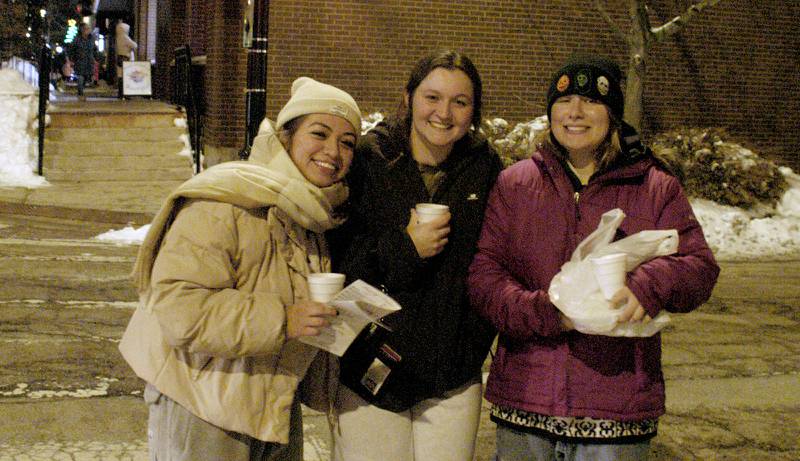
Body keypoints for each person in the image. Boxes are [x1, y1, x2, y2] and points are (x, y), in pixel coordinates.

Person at [467, 54, 720, 460]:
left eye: (591, 101)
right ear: (550, 112)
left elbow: (699, 267)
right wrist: (548, 312)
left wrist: (646, 286)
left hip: (617, 408)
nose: (575, 112)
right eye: (564, 101)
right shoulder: (515, 184)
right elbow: (484, 276)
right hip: (526, 400)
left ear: (613, 114)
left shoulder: (654, 187)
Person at [118, 77, 361, 460]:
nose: (333, 150)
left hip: (273, 404)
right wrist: (284, 320)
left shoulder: (310, 215)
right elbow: (180, 307)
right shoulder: (226, 199)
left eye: (347, 142)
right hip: (204, 405)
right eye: (320, 133)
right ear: (286, 138)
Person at [328, 50, 503, 461]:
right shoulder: (371, 160)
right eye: (432, 97)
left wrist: (473, 342)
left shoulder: (483, 166)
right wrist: (406, 249)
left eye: (460, 102)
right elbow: (340, 263)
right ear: (408, 98)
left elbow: (494, 258)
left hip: (452, 374)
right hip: (370, 368)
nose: (444, 113)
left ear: (473, 111)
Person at [68, 23, 98, 101]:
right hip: (79, 60)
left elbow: (95, 50)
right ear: (82, 30)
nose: (89, 30)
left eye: (89, 28)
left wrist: (95, 59)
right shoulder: (77, 39)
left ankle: (81, 87)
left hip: (89, 60)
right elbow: (72, 49)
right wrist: (71, 59)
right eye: (87, 29)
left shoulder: (91, 39)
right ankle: (80, 91)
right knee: (80, 75)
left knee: (86, 76)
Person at [115, 21, 137, 98]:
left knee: (120, 76)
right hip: (126, 58)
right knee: (127, 76)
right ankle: (126, 94)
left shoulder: (118, 37)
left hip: (120, 58)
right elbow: (134, 45)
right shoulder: (125, 37)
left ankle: (120, 93)